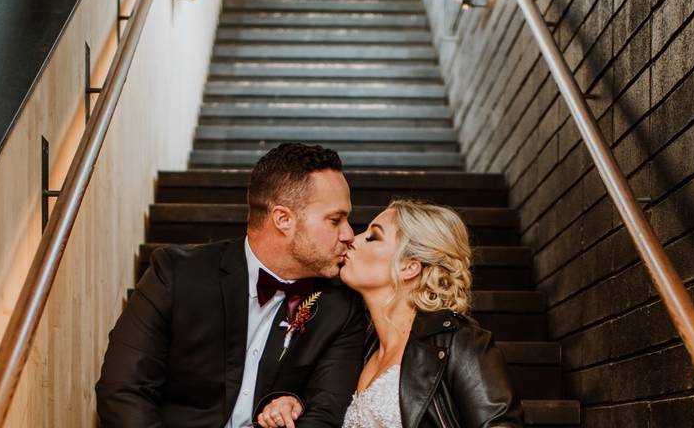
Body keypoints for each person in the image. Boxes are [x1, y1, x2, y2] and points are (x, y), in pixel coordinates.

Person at [95, 143, 366, 427]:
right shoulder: (176, 274)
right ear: (283, 219)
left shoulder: (341, 306)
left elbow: (325, 413)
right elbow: (122, 390)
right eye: (335, 220)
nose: (349, 234)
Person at [257, 200, 522, 428]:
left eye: (373, 237)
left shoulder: (459, 343)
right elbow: (326, 402)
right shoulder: (357, 345)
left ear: (409, 267)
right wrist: (295, 403)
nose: (352, 239)